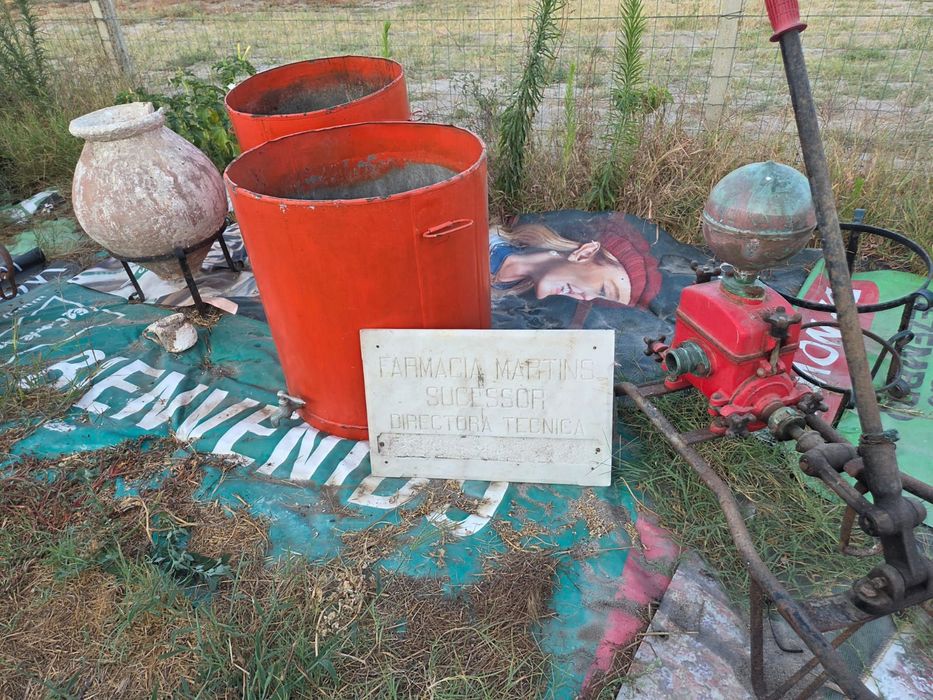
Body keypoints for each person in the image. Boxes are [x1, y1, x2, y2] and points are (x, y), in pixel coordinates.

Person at [490, 218, 661, 307]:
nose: (587, 298)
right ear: (584, 254)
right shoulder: (489, 244)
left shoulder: (513, 292)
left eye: (598, 300)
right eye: (602, 290)